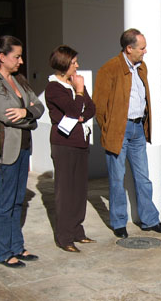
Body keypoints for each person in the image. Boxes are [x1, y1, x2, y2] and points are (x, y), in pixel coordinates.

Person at [93, 28, 161, 237]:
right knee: (117, 179)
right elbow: (99, 108)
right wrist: (110, 129)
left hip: (138, 128)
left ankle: (150, 220)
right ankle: (119, 223)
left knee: (143, 178)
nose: (145, 51)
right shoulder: (109, 69)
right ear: (129, 48)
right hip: (118, 131)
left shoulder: (141, 67)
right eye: (142, 47)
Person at [0, 35, 44, 268]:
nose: (20, 61)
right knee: (4, 202)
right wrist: (30, 114)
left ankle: (17, 246)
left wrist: (27, 113)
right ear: (2, 57)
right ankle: (4, 251)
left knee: (18, 200)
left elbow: (39, 107)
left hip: (23, 148)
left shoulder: (20, 81)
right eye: (16, 56)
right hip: (5, 151)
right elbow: (7, 115)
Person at [45, 45, 96, 253]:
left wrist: (80, 108)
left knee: (79, 189)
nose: (78, 66)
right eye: (74, 62)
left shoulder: (73, 85)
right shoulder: (54, 88)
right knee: (65, 191)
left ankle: (77, 230)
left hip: (80, 141)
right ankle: (64, 236)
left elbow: (91, 108)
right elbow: (74, 109)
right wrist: (80, 92)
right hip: (63, 144)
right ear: (64, 64)